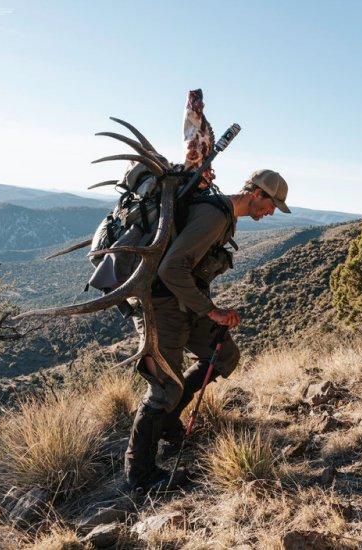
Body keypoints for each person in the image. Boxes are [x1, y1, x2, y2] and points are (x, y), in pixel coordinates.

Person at [124, 168, 291, 491]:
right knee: (164, 388)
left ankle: (169, 423)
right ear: (257, 194)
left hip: (185, 304)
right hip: (162, 305)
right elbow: (172, 268)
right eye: (272, 205)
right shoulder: (215, 216)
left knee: (224, 356)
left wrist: (206, 309)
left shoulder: (224, 215)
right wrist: (211, 311)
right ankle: (139, 472)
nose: (271, 212)